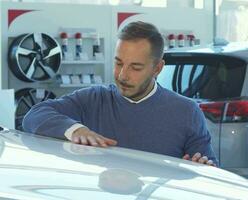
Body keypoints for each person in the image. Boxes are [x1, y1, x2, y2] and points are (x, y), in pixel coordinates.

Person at [22, 21, 217, 166]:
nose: (122, 75)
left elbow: (210, 171)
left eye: (135, 67)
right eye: (118, 63)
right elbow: (34, 116)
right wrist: (76, 131)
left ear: (157, 68)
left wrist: (202, 168)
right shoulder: (93, 99)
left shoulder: (186, 112)